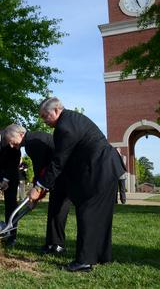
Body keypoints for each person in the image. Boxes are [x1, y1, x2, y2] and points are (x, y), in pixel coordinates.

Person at [29, 97, 125, 272]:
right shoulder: (71, 119)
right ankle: (103, 256)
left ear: (57, 110)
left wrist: (39, 187)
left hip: (101, 170)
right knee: (100, 217)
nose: (44, 120)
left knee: (87, 213)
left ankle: (84, 261)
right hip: (107, 168)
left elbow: (58, 162)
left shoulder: (64, 127)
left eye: (45, 116)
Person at [4, 124, 71, 255]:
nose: (11, 145)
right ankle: (51, 243)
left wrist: (37, 190)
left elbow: (41, 168)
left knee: (59, 210)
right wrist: (37, 189)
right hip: (57, 176)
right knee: (53, 209)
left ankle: (58, 245)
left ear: (20, 134)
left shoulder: (33, 143)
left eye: (11, 141)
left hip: (65, 174)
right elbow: (40, 169)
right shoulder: (31, 141)